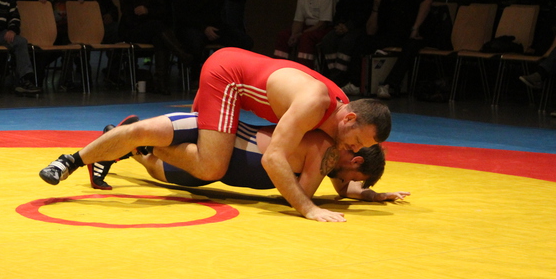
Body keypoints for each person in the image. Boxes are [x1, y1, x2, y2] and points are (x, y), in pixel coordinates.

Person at [40, 47, 392, 222]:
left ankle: (132, 144)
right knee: (211, 166)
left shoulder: (339, 120)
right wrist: (308, 208)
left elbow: (339, 170)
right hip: (228, 78)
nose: (353, 149)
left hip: (234, 83)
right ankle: (73, 160)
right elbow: (273, 158)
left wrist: (366, 193)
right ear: (349, 119)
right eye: (357, 142)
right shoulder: (315, 105)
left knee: (194, 153)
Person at [127, 113, 408, 204]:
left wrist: (373, 195)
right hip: (231, 146)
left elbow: (345, 189)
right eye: (352, 177)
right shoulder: (326, 149)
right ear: (355, 160)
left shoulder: (332, 160)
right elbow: (302, 197)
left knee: (161, 171)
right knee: (162, 152)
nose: (344, 182)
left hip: (226, 167)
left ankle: (133, 148)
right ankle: (132, 139)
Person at [172, 0, 253, 80]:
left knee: (244, 41)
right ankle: (195, 77)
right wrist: (203, 28)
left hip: (216, 26)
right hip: (193, 27)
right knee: (194, 43)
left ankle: (232, 75)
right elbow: (181, 15)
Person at [118, 0, 191, 94]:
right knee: (156, 25)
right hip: (133, 31)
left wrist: (147, 11)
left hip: (154, 32)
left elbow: (163, 12)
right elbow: (129, 17)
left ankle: (161, 84)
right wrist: (150, 14)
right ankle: (182, 54)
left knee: (159, 39)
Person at [359, 0, 432, 100]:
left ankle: (389, 85)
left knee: (410, 45)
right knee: (364, 39)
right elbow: (370, 31)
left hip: (421, 34)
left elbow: (427, 2)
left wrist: (415, 27)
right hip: (399, 36)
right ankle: (356, 83)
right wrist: (376, 5)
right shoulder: (383, 0)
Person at [319, 0, 374, 94]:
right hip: (344, 27)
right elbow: (339, 10)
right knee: (328, 39)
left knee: (347, 41)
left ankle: (340, 79)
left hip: (360, 28)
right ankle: (334, 76)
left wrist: (348, 26)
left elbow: (365, 13)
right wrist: (339, 25)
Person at [274, 0, 337, 69]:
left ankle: (304, 69)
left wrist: (300, 34)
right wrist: (294, 34)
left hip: (324, 28)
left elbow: (323, 23)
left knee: (305, 38)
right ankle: (279, 67)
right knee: (283, 36)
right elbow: (298, 20)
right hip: (307, 28)